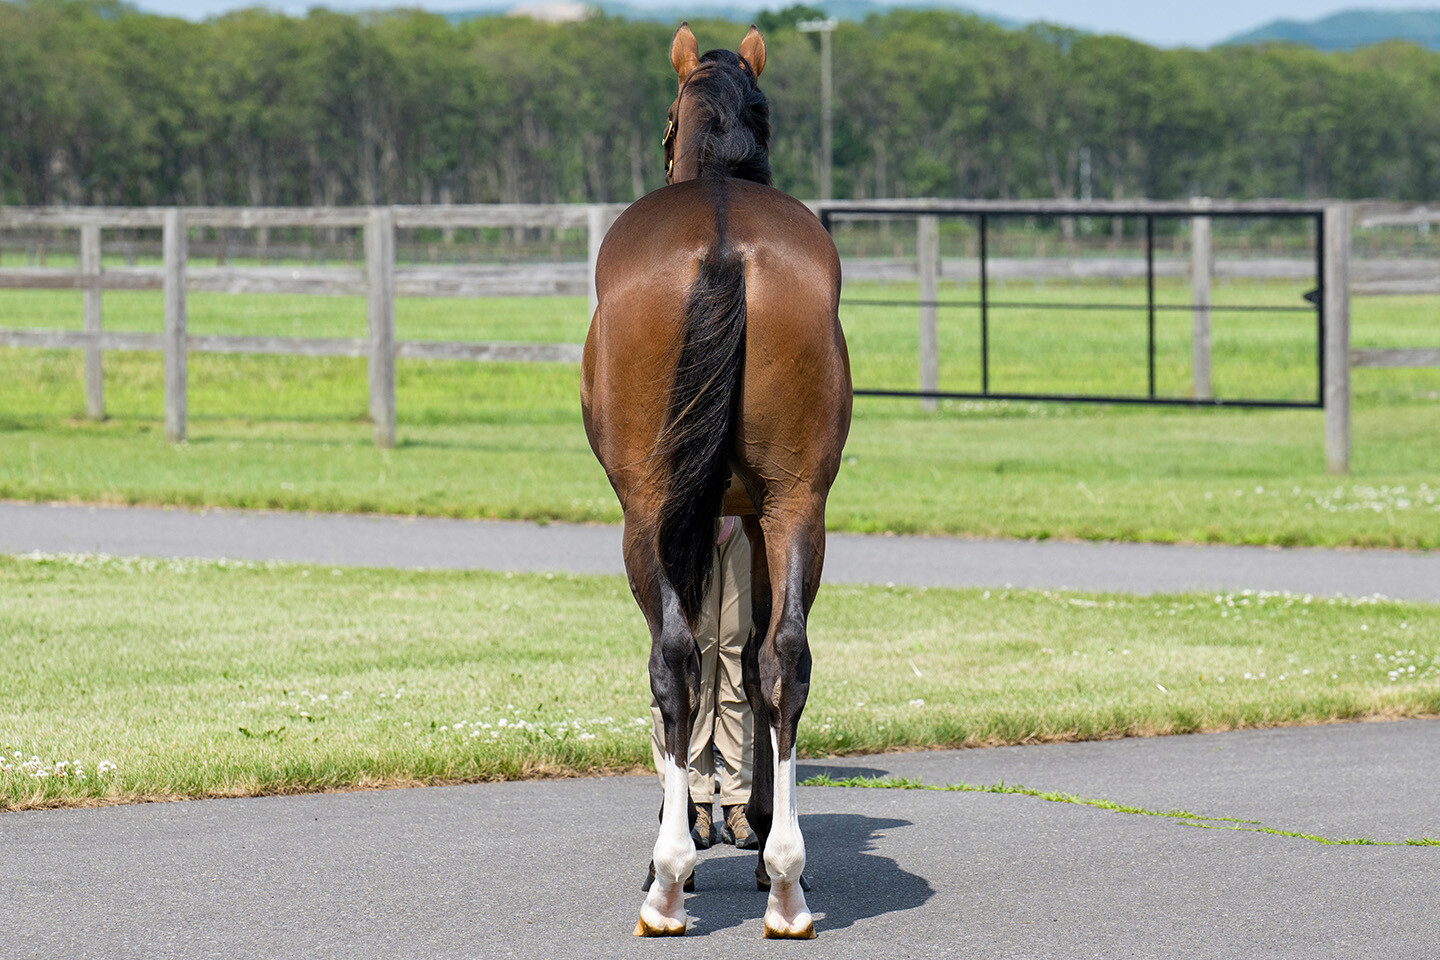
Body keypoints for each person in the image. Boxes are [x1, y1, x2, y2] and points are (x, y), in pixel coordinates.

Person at [650, 515, 758, 850]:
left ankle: (740, 799)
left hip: (748, 517)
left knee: (741, 656)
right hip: (688, 514)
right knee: (690, 659)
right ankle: (693, 801)